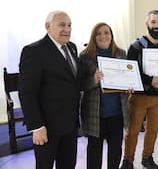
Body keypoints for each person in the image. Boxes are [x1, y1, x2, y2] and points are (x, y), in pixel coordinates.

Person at [18, 10, 81, 169]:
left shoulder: (72, 48)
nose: (67, 29)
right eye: (62, 25)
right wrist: (37, 127)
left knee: (68, 165)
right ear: (48, 27)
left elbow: (72, 82)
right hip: (47, 127)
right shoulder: (34, 51)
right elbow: (27, 93)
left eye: (69, 25)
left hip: (70, 124)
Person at [120, 10, 158, 169]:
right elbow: (131, 72)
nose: (156, 26)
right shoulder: (136, 46)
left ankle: (147, 158)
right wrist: (151, 80)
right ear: (147, 24)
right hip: (139, 97)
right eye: (153, 22)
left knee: (153, 130)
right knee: (133, 131)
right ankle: (128, 160)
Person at [79, 22, 131, 169]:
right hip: (95, 114)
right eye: (99, 33)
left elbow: (126, 79)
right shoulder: (85, 56)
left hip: (117, 113)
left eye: (106, 32)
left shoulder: (121, 53)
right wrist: (93, 80)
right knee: (94, 152)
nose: (103, 36)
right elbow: (80, 85)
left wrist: (129, 87)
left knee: (115, 150)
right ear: (93, 37)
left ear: (111, 35)